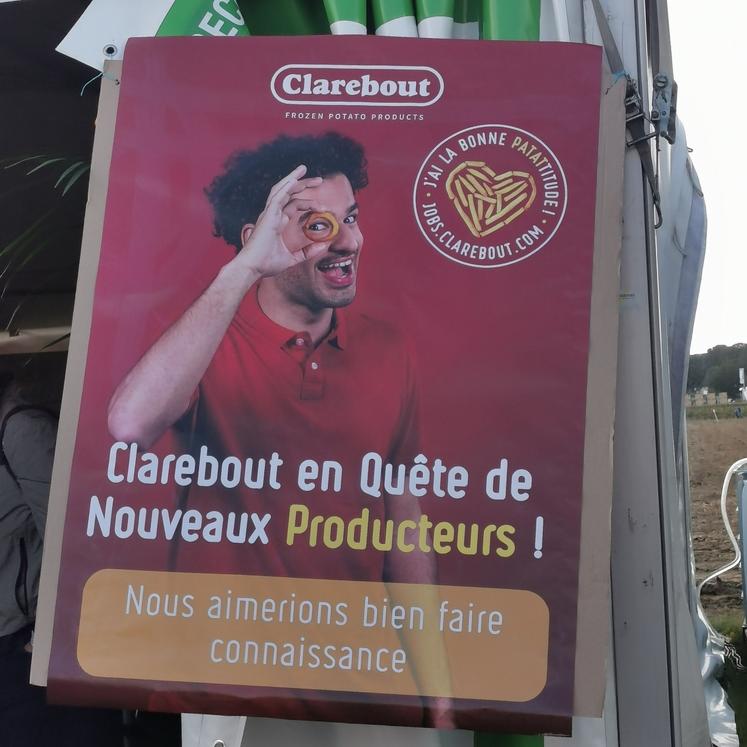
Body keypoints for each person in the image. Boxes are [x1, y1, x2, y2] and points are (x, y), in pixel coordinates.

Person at [107, 132, 453, 732]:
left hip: (356, 688)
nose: (349, 242)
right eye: (317, 225)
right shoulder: (203, 338)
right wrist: (243, 271)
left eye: (351, 219)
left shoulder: (390, 349)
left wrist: (439, 696)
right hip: (214, 693)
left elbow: (404, 521)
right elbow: (130, 424)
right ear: (261, 238)